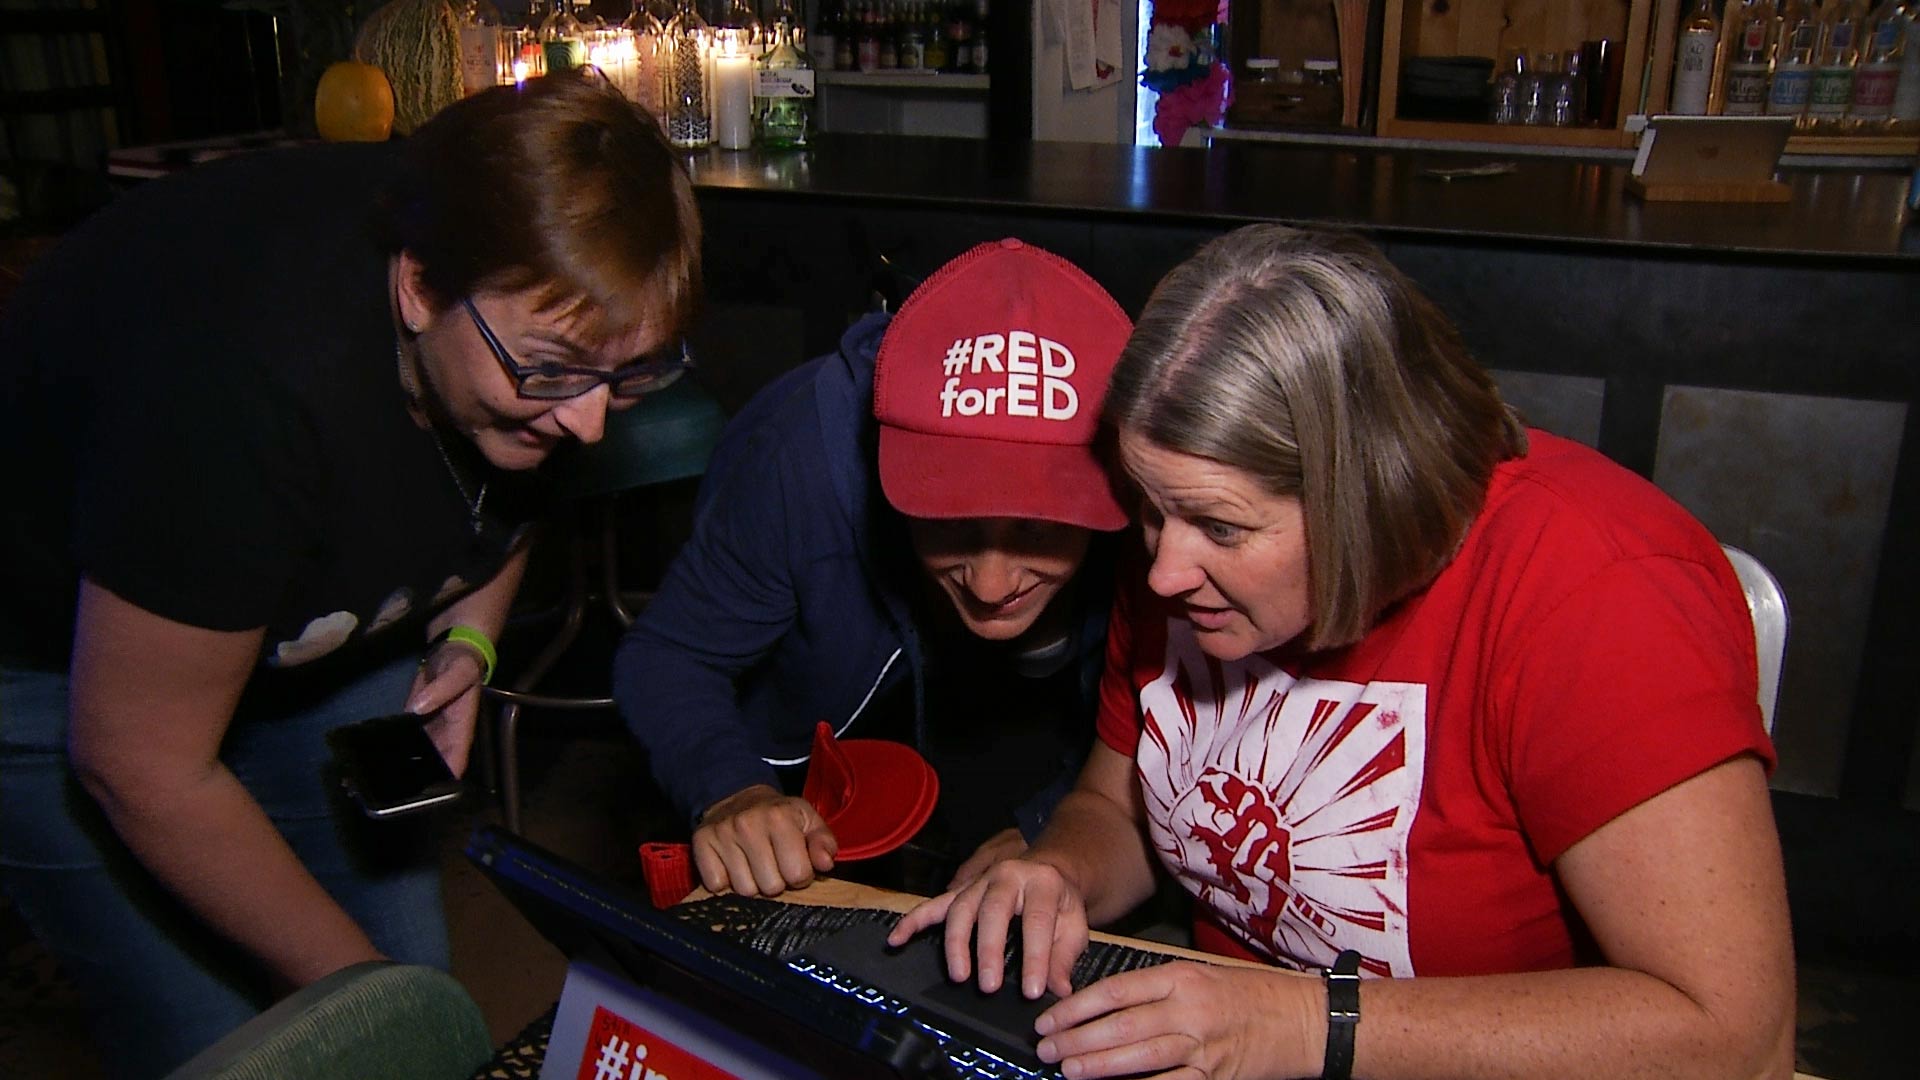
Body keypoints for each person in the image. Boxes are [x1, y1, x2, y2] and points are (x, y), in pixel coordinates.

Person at [891, 224, 1796, 1079]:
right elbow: (1117, 803)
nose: (1162, 571)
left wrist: (1296, 1023)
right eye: (1151, 509)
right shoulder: (1182, 546)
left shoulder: (1597, 595)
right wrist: (1059, 873)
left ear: (1367, 492)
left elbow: (1733, 1038)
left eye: (1221, 526)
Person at [0, 73, 701, 1079]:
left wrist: (470, 638)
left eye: (628, 376)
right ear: (419, 287)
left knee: (400, 966)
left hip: (306, 615)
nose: (589, 422)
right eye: (551, 372)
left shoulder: (527, 307)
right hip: (58, 665)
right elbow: (141, 762)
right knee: (233, 1041)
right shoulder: (232, 393)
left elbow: (516, 495)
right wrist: (381, 1011)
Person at [614, 238, 1135, 899]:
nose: (990, 585)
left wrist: (1055, 825)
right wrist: (731, 791)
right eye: (947, 520)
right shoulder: (800, 457)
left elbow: (1156, 734)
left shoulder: (1153, 474)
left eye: (1040, 528)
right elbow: (667, 656)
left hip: (1051, 731)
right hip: (821, 748)